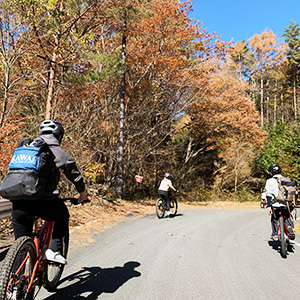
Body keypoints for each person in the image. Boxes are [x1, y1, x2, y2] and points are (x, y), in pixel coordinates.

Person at [11, 120, 88, 264]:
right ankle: (53, 250)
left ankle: (14, 284)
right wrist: (82, 195)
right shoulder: (58, 152)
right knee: (63, 215)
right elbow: (76, 177)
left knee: (20, 247)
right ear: (59, 136)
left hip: (18, 203)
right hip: (43, 203)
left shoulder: (26, 147)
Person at [265, 164, 295, 241]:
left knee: (274, 218)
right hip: (287, 204)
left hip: (275, 205)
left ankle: (275, 234)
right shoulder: (287, 179)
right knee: (287, 216)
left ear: (271, 173)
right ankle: (290, 227)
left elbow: (268, 194)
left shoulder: (270, 181)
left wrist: (269, 207)